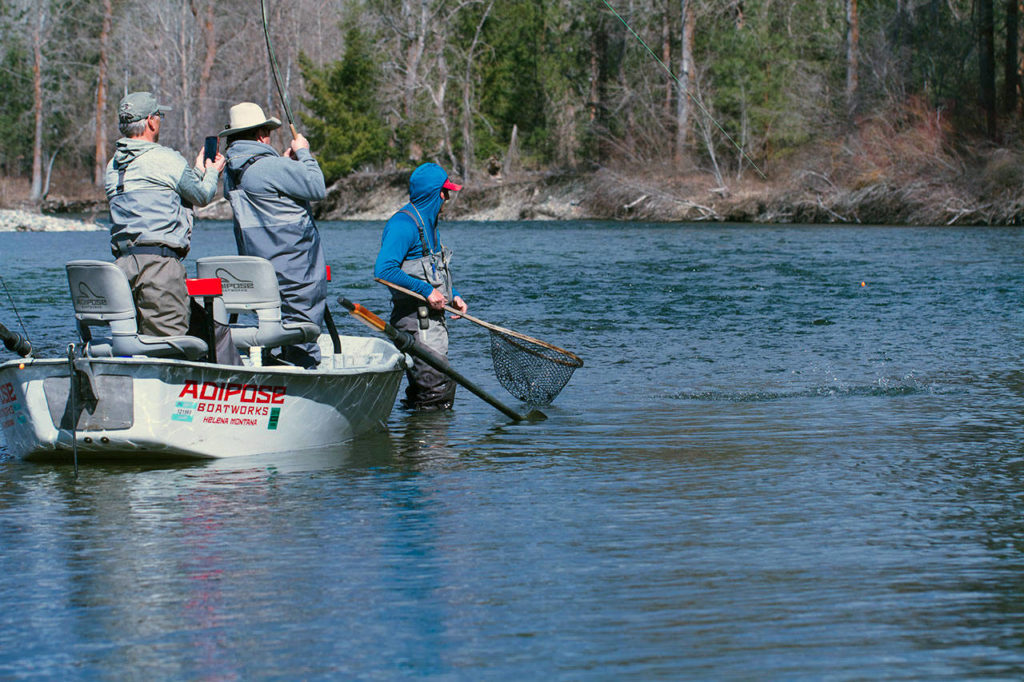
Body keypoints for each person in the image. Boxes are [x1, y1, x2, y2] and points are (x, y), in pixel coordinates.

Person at [104, 91, 225, 336]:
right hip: (159, 269)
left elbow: (156, 199)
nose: (160, 120)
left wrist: (197, 172)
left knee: (136, 343)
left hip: (122, 268)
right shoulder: (166, 158)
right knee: (169, 345)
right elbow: (201, 196)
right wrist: (212, 171)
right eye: (159, 115)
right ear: (150, 121)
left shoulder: (113, 166)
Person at [220, 102, 328, 369]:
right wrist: (304, 154)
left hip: (259, 273)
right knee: (303, 332)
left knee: (271, 323)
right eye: (267, 130)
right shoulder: (268, 167)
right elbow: (316, 187)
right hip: (295, 271)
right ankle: (303, 381)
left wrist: (283, 163)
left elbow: (267, 189)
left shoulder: (232, 173)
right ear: (260, 135)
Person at [374, 162, 466, 410]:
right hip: (416, 321)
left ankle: (414, 444)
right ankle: (429, 446)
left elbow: (435, 273)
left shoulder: (431, 225)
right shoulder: (403, 225)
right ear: (435, 193)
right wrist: (426, 291)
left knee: (432, 387)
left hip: (433, 322)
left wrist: (454, 296)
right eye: (445, 192)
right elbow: (384, 270)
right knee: (435, 390)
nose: (447, 197)